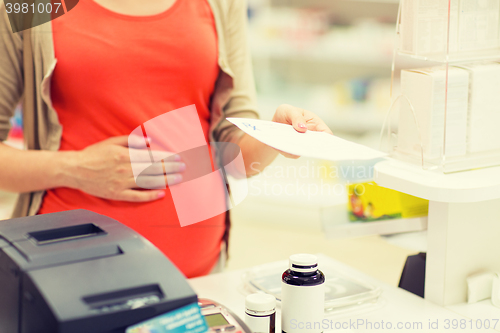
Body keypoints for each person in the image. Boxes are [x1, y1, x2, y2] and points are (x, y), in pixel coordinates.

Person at [0, 0, 333, 278]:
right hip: (67, 274)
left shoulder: (220, 3)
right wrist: (73, 168)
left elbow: (235, 154)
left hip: (199, 276)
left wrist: (276, 134)